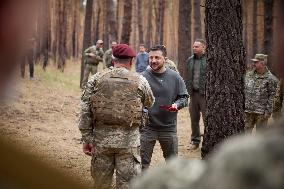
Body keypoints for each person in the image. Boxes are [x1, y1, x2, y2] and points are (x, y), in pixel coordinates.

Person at [78, 44, 154, 189]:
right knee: (127, 185)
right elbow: (150, 102)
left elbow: (85, 110)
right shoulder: (140, 80)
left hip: (101, 141)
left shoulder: (96, 78)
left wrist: (87, 139)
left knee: (101, 184)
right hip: (129, 143)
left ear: (113, 60)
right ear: (131, 61)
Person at [140, 45, 188, 170]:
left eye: (157, 57)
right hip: (147, 127)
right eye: (151, 58)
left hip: (168, 128)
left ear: (165, 59)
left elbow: (184, 97)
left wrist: (176, 105)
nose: (153, 60)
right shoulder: (142, 77)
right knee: (142, 164)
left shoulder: (175, 77)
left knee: (172, 164)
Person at [245, 54, 278, 133]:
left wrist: (268, 111)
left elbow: (272, 96)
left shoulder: (271, 79)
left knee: (261, 136)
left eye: (256, 62)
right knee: (245, 134)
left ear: (262, 64)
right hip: (248, 111)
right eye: (254, 62)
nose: (254, 64)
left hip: (261, 113)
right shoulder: (249, 75)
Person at [186, 39, 207, 150]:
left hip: (205, 95)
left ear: (203, 47)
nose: (194, 48)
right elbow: (187, 76)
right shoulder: (190, 60)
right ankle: (195, 141)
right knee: (194, 119)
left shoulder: (209, 60)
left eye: (197, 46)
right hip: (193, 94)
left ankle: (208, 141)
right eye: (193, 46)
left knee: (206, 119)